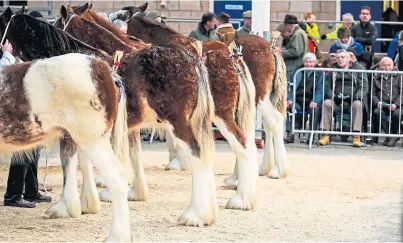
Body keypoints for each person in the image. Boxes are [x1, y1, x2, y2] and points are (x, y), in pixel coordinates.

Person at [2, 40, 51, 208]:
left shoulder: (20, 57)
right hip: (14, 109)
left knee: (33, 150)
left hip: (26, 106)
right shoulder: (7, 57)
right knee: (23, 151)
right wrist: (7, 54)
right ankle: (13, 196)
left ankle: (31, 191)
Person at [319, 49, 368, 147]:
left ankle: (356, 136)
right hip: (337, 101)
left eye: (343, 57)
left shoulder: (358, 68)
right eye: (338, 58)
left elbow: (364, 86)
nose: (340, 59)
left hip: (353, 100)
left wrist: (357, 96)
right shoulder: (332, 69)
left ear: (349, 58)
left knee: (358, 104)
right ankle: (325, 135)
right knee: (326, 103)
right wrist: (333, 96)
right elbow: (327, 86)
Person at [284, 53, 324, 144]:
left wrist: (315, 101)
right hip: (298, 99)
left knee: (315, 109)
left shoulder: (320, 73)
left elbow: (320, 89)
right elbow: (289, 87)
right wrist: (289, 99)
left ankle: (311, 136)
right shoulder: (297, 71)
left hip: (311, 100)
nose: (309, 64)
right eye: (307, 62)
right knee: (289, 107)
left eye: (311, 62)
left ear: (315, 63)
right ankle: (290, 134)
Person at [372, 57, 403, 147]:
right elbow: (372, 93)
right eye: (384, 65)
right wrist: (377, 102)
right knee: (377, 112)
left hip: (397, 104)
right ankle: (391, 135)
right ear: (380, 66)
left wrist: (396, 104)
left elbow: (402, 93)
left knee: (397, 115)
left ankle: (394, 134)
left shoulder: (400, 75)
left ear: (393, 65)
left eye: (389, 65)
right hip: (382, 104)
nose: (386, 68)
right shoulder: (375, 76)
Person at [280, 14, 309, 82]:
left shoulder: (297, 34)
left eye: (285, 25)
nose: (285, 27)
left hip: (293, 68)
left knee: (290, 90)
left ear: (290, 25)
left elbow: (296, 51)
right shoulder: (299, 33)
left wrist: (281, 52)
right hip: (296, 67)